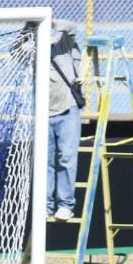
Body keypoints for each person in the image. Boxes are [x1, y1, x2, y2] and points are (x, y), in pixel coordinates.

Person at [49, 19, 83, 221]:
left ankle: (65, 204)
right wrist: (27, 29)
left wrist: (49, 21)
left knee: (66, 158)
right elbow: (15, 50)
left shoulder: (61, 46)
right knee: (45, 162)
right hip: (43, 114)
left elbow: (71, 28)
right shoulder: (33, 52)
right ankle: (45, 205)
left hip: (67, 109)